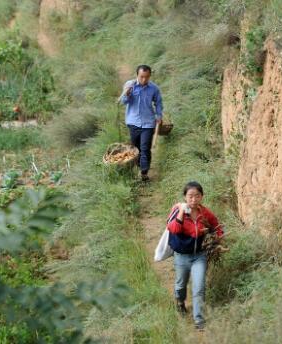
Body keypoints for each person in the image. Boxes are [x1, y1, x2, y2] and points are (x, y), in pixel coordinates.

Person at [166, 181, 224, 330]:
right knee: (180, 286)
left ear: (202, 197)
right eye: (190, 196)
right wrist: (180, 211)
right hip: (181, 256)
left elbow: (216, 226)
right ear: (185, 197)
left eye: (197, 196)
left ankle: (199, 320)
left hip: (199, 255)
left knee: (199, 287)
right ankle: (180, 302)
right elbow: (173, 228)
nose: (193, 200)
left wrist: (218, 236)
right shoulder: (177, 210)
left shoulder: (205, 212)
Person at [119, 65, 163, 182]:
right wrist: (127, 94)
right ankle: (138, 166)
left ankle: (144, 173)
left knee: (145, 148)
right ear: (137, 75)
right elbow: (122, 101)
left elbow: (158, 103)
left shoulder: (154, 88)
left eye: (147, 77)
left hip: (148, 123)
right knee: (135, 148)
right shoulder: (129, 85)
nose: (144, 80)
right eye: (142, 77)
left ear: (150, 76)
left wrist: (159, 115)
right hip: (133, 122)